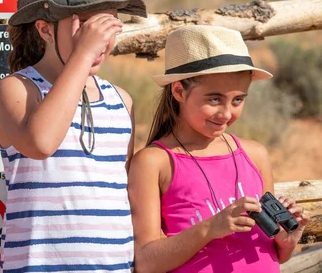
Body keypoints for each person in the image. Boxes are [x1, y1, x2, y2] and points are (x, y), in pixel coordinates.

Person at [0, 0, 148, 272]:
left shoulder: (122, 101)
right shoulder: (17, 89)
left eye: (108, 24)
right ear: (44, 29)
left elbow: (126, 194)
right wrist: (82, 55)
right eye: (86, 26)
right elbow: (41, 143)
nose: (100, 39)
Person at [128, 25, 309, 272]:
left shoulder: (255, 155)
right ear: (179, 91)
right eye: (214, 99)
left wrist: (287, 241)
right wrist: (210, 228)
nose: (226, 113)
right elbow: (146, 262)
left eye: (238, 100)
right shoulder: (154, 162)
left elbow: (274, 254)